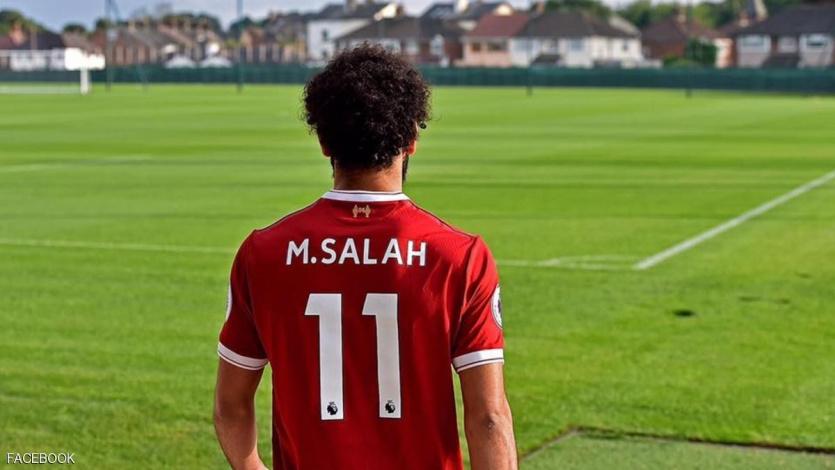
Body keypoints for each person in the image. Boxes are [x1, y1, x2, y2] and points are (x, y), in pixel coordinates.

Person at [213, 45, 517, 470]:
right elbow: (488, 418)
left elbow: (231, 407)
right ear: (411, 140)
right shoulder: (459, 257)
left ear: (324, 142)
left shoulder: (263, 252)